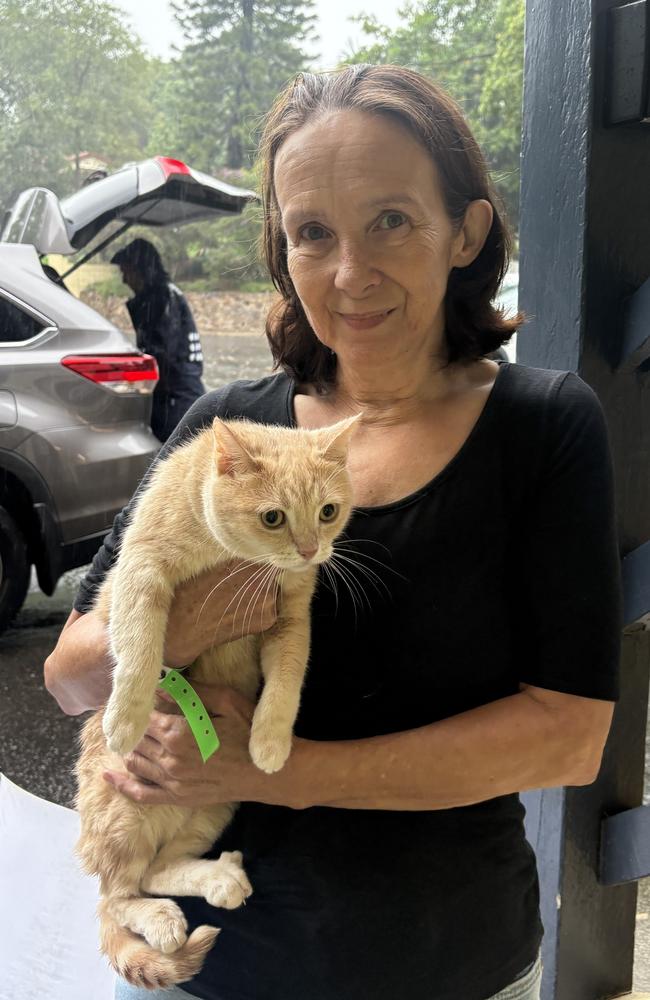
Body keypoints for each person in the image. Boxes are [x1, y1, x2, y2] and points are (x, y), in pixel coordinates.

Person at [44, 65, 621, 1000]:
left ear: (465, 232)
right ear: (283, 248)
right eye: (313, 232)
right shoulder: (230, 431)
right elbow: (71, 677)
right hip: (207, 967)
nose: (351, 273)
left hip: (452, 965)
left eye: (391, 219)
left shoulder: (543, 427)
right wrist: (186, 626)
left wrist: (282, 770)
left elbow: (565, 738)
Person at [111, 238, 206, 442]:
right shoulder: (160, 296)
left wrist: (128, 379)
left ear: (141, 269)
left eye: (126, 272)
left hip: (177, 399)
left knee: (172, 458)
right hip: (177, 394)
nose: (124, 280)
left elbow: (162, 356)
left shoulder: (162, 299)